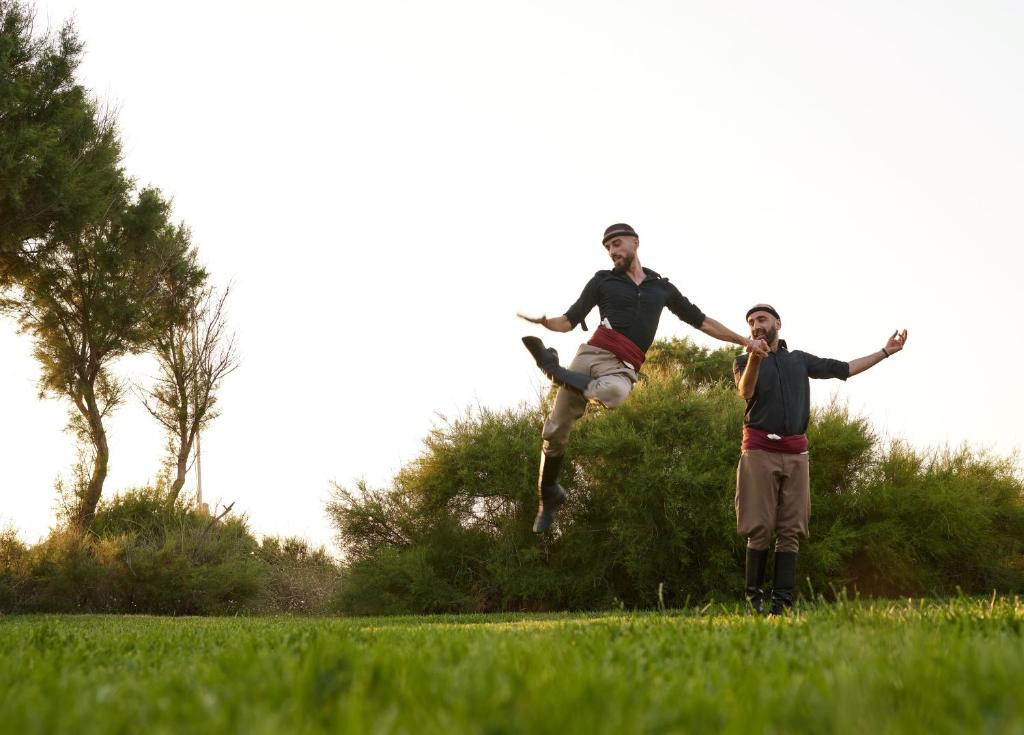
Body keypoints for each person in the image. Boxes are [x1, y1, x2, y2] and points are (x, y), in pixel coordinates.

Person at [519, 223, 768, 533]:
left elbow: (702, 322)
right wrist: (545, 321)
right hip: (590, 356)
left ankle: (555, 371)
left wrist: (745, 342)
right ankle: (548, 496)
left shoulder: (661, 288)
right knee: (555, 430)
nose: (612, 250)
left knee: (614, 394)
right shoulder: (602, 281)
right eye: (608, 247)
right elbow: (568, 321)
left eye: (617, 243)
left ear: (635, 242)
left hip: (622, 366)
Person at [733, 303, 908, 614]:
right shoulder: (744, 360)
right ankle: (753, 602)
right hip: (759, 450)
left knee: (791, 530)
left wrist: (885, 351)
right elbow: (745, 392)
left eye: (761, 319)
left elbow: (845, 368)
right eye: (750, 322)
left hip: (796, 453)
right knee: (758, 527)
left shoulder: (799, 360)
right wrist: (755, 358)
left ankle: (781, 605)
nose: (756, 325)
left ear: (777, 323)